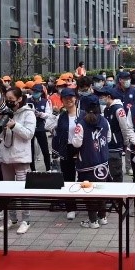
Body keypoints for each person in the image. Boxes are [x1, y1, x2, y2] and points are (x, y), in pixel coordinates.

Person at [0, 87, 36, 235]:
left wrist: (14, 125)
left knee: (23, 190)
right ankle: (12, 218)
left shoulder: (28, 113)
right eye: (7, 99)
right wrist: (0, 123)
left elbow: (29, 134)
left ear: (19, 99)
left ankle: (26, 220)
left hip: (21, 157)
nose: (9, 101)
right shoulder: (5, 112)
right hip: (6, 157)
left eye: (11, 99)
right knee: (8, 190)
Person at [71, 95, 112, 228]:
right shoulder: (105, 121)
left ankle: (93, 221)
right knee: (101, 191)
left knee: (89, 193)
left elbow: (76, 143)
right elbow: (109, 138)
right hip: (103, 163)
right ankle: (103, 217)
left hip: (87, 163)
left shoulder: (81, 123)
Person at [49, 88, 82, 220]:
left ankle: (88, 204)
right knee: (68, 179)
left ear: (76, 98)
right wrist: (54, 113)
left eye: (71, 97)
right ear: (61, 100)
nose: (69, 100)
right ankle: (71, 207)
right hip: (66, 149)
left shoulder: (83, 114)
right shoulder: (61, 116)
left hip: (81, 149)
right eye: (65, 98)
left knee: (84, 177)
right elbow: (48, 127)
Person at [98, 86, 130, 183]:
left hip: (116, 145)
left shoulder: (118, 109)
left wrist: (126, 142)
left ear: (108, 96)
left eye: (102, 97)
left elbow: (124, 127)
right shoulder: (106, 109)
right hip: (107, 145)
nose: (100, 99)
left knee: (116, 172)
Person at [28, 84, 52, 171]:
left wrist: (40, 114)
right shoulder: (27, 101)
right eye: (34, 91)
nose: (35, 93)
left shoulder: (45, 101)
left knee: (45, 149)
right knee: (31, 149)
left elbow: (48, 114)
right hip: (30, 126)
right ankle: (33, 170)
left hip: (40, 126)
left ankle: (48, 169)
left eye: (37, 92)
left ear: (41, 92)